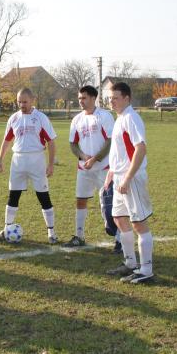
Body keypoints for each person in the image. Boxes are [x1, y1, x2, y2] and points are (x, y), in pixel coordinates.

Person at [103, 82, 155, 284]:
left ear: (127, 98)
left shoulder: (131, 118)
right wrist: (112, 172)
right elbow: (120, 151)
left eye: (115, 98)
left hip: (131, 178)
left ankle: (146, 270)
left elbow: (140, 149)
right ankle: (130, 263)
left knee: (138, 223)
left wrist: (127, 178)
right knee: (119, 219)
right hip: (119, 177)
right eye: (110, 98)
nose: (112, 102)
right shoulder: (120, 118)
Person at [0, 88, 58, 244]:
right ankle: (7, 228)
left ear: (32, 100)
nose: (22, 105)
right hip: (18, 160)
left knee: (43, 195)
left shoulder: (41, 118)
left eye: (25, 102)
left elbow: (51, 142)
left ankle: (51, 232)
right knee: (13, 195)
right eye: (19, 102)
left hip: (37, 160)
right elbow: (7, 140)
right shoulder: (14, 118)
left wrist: (51, 164)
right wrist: (0, 159)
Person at [64, 85, 115, 247]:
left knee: (110, 202)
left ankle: (119, 240)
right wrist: (83, 156)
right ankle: (79, 236)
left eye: (84, 98)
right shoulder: (77, 119)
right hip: (84, 168)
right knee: (80, 200)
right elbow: (73, 144)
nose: (81, 101)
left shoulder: (104, 116)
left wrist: (95, 159)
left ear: (94, 98)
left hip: (104, 168)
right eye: (79, 98)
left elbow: (110, 141)